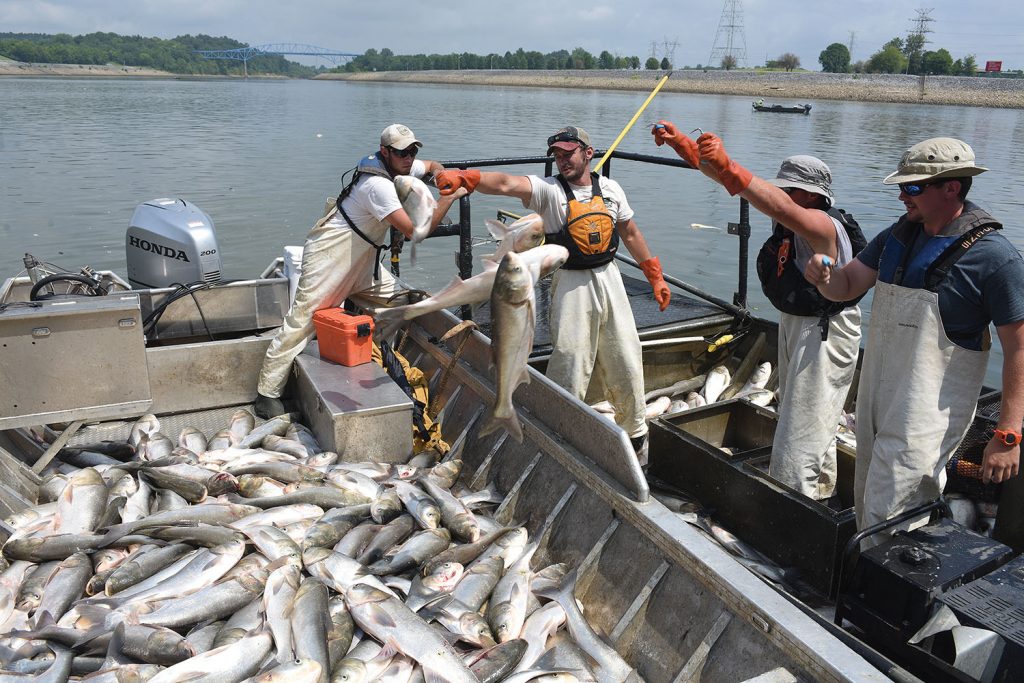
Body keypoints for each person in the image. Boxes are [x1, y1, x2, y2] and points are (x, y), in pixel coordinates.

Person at [802, 136, 1024, 544]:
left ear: (952, 188)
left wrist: (1008, 434)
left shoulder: (995, 258)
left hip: (925, 416)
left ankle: (888, 596)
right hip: (876, 400)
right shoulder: (898, 236)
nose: (903, 195)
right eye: (903, 186)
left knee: (895, 513)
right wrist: (825, 276)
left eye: (914, 187)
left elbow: (1019, 348)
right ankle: (865, 581)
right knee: (868, 496)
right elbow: (849, 284)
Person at [433, 126, 671, 465]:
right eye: (557, 156)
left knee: (626, 355)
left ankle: (634, 434)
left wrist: (654, 275)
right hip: (571, 283)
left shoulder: (613, 189)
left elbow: (630, 232)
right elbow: (506, 184)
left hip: (611, 278)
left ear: (588, 153)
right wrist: (468, 178)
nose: (562, 161)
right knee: (571, 358)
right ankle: (563, 433)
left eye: (568, 153)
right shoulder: (548, 192)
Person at [652, 122, 865, 500]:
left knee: (804, 423)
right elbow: (739, 187)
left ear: (814, 197)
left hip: (825, 330)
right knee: (806, 416)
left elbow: (770, 200)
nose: (782, 195)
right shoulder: (791, 216)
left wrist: (731, 165)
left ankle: (792, 502)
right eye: (782, 188)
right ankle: (820, 490)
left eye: (791, 190)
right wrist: (684, 146)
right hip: (797, 323)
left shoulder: (822, 225)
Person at [254, 124, 464, 419]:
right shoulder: (376, 186)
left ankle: (369, 351)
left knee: (400, 301)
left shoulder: (399, 166)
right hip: (330, 255)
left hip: (364, 259)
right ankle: (267, 393)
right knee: (303, 321)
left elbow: (432, 166)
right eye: (402, 152)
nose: (409, 157)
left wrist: (441, 175)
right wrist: (447, 198)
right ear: (385, 152)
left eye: (413, 151)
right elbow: (416, 231)